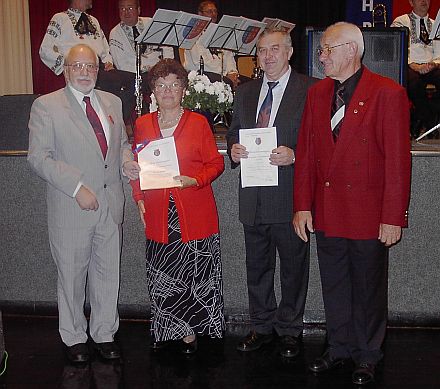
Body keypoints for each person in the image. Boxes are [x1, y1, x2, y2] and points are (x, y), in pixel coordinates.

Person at [293, 22, 411, 385]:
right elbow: (307, 153)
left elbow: (397, 163)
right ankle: (339, 347)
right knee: (335, 284)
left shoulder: (387, 93)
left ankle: (368, 353)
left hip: (367, 213)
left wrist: (393, 217)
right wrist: (302, 205)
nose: (321, 56)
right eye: (322, 50)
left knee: (368, 287)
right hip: (328, 209)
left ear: (351, 50)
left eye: (328, 49)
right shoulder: (316, 95)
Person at [28, 44, 140, 364]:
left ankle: (104, 332)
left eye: (90, 66)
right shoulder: (46, 106)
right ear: (65, 69)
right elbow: (38, 157)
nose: (84, 72)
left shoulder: (112, 102)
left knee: (108, 274)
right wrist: (77, 187)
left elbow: (120, 146)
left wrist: (127, 163)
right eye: (77, 66)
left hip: (110, 203)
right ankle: (74, 336)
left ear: (97, 69)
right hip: (71, 206)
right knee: (72, 276)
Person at [226, 27, 315, 358]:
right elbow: (235, 131)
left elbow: (320, 142)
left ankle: (290, 329)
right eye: (262, 50)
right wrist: (233, 149)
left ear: (289, 52)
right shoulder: (246, 92)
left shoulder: (310, 89)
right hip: (253, 196)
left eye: (275, 49)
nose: (268, 56)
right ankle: (261, 326)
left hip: (290, 197)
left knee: (294, 268)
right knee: (257, 267)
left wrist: (294, 155)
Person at [129, 59, 225, 354]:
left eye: (174, 85)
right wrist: (139, 199)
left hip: (194, 209)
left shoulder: (198, 123)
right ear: (152, 92)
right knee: (164, 273)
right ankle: (169, 329)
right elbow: (138, 167)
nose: (167, 90)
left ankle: (193, 331)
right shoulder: (143, 124)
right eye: (161, 85)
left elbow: (216, 163)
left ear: (184, 89)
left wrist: (194, 180)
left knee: (196, 272)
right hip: (159, 212)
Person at [39, 0, 135, 123]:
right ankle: (110, 120)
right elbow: (45, 49)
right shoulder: (60, 18)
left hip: (99, 67)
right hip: (80, 68)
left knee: (135, 81)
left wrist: (108, 61)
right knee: (114, 84)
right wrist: (68, 66)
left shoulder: (94, 21)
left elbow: (104, 48)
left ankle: (116, 120)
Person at [391, 0, 440, 136]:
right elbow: (397, 47)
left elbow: (439, 52)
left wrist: (434, 64)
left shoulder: (435, 23)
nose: (424, 1)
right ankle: (429, 122)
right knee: (414, 84)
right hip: (410, 65)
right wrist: (414, 66)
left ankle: (421, 119)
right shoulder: (401, 21)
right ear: (411, 2)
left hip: (431, 66)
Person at [183, 1, 240, 89]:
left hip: (222, 76)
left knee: (248, 84)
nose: (213, 14)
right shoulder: (194, 34)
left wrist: (232, 73)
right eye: (209, 11)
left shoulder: (221, 33)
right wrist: (225, 76)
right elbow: (202, 64)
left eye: (215, 11)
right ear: (200, 14)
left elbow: (229, 56)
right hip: (201, 76)